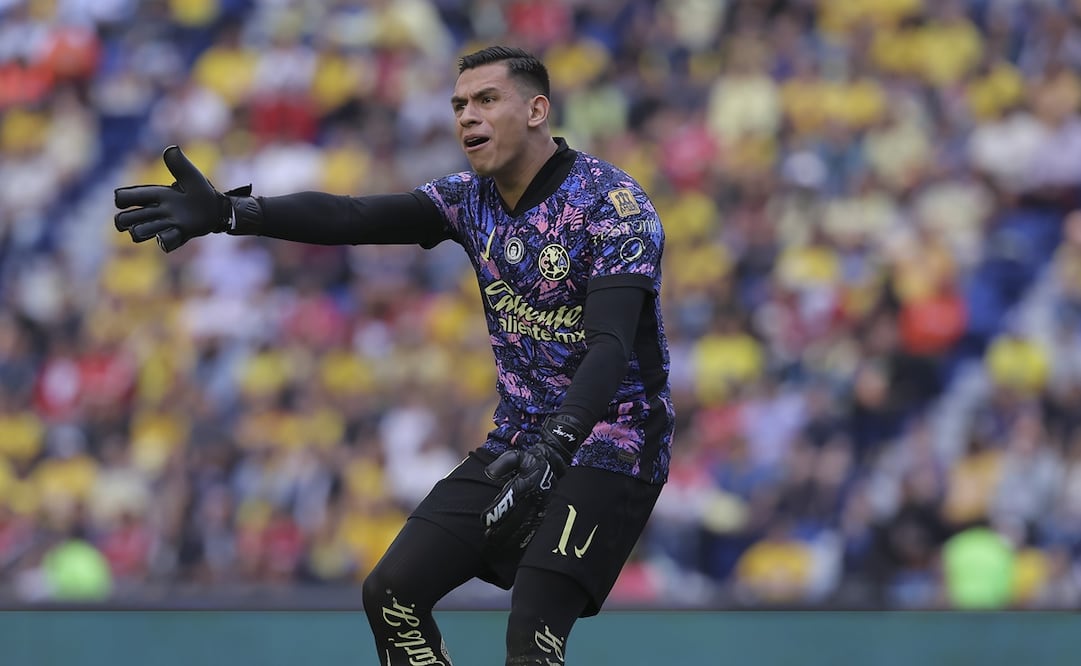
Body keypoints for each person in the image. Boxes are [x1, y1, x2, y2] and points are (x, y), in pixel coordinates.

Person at [114, 46, 674, 666]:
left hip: (611, 444)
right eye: (459, 104)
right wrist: (230, 212)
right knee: (391, 593)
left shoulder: (611, 205)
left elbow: (611, 346)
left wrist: (557, 447)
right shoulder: (469, 199)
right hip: (518, 441)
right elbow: (354, 216)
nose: (467, 117)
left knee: (533, 634)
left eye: (486, 100)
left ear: (537, 109)